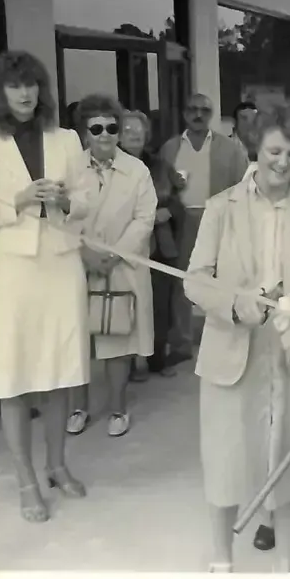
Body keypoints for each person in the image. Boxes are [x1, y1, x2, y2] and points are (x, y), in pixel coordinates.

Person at [185, 102, 290, 574]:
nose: (282, 163)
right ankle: (221, 561)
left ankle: (284, 566)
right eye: (274, 151)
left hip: (289, 348)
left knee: (287, 458)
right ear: (256, 147)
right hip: (231, 346)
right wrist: (233, 304)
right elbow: (195, 279)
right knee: (227, 456)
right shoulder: (221, 207)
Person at [0, 50, 95, 522]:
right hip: (12, 270)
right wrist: (17, 201)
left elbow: (87, 198)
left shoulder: (67, 138)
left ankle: (57, 464)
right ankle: (26, 480)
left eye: (31, 84)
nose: (24, 93)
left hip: (59, 263)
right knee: (14, 378)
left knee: (58, 373)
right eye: (15, 86)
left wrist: (66, 201)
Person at [65, 95, 157, 438]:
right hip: (78, 264)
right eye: (96, 128)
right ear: (84, 132)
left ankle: (118, 409)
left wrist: (115, 254)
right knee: (79, 341)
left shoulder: (138, 171)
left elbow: (144, 218)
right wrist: (84, 253)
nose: (105, 134)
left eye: (112, 127)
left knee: (118, 341)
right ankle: (79, 407)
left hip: (123, 266)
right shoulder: (69, 168)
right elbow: (60, 216)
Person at [158, 94, 250, 365]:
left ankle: (226, 337)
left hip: (219, 220)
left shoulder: (229, 149)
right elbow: (159, 184)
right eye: (192, 109)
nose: (198, 114)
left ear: (211, 114)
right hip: (182, 220)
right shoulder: (170, 148)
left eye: (204, 110)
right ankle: (182, 342)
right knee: (182, 282)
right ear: (184, 113)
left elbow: (244, 187)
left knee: (224, 279)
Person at [119, 110, 186, 379]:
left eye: (139, 130)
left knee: (160, 304)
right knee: (129, 306)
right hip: (125, 244)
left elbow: (177, 202)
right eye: (128, 130)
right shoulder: (114, 164)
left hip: (160, 244)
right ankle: (131, 365)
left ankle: (158, 359)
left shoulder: (159, 165)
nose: (134, 135)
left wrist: (169, 212)